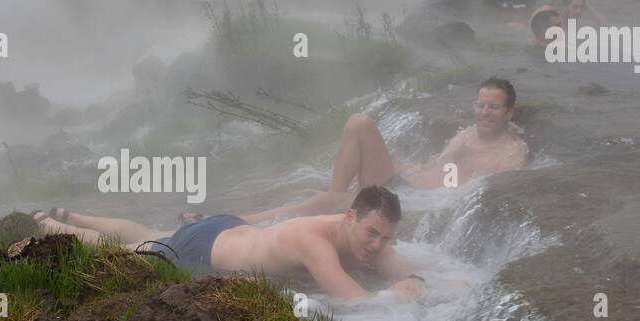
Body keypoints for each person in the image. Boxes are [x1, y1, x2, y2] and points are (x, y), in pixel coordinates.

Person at [34, 185, 425, 302]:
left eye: (384, 237)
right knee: (131, 252)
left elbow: (401, 267)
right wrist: (398, 297)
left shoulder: (365, 235)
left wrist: (414, 280)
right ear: (350, 217)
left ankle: (74, 214)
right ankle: (51, 227)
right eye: (371, 233)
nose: (376, 245)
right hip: (204, 251)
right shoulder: (314, 241)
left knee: (150, 233)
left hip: (230, 229)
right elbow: (357, 302)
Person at [224, 78, 528, 224]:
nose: (484, 112)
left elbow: (480, 197)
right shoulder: (467, 135)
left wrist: (425, 201)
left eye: (494, 106)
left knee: (327, 200)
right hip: (402, 182)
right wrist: (406, 166)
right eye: (480, 105)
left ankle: (238, 220)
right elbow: (438, 164)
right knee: (359, 122)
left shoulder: (512, 153)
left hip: (413, 198)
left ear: (509, 113)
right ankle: (336, 198)